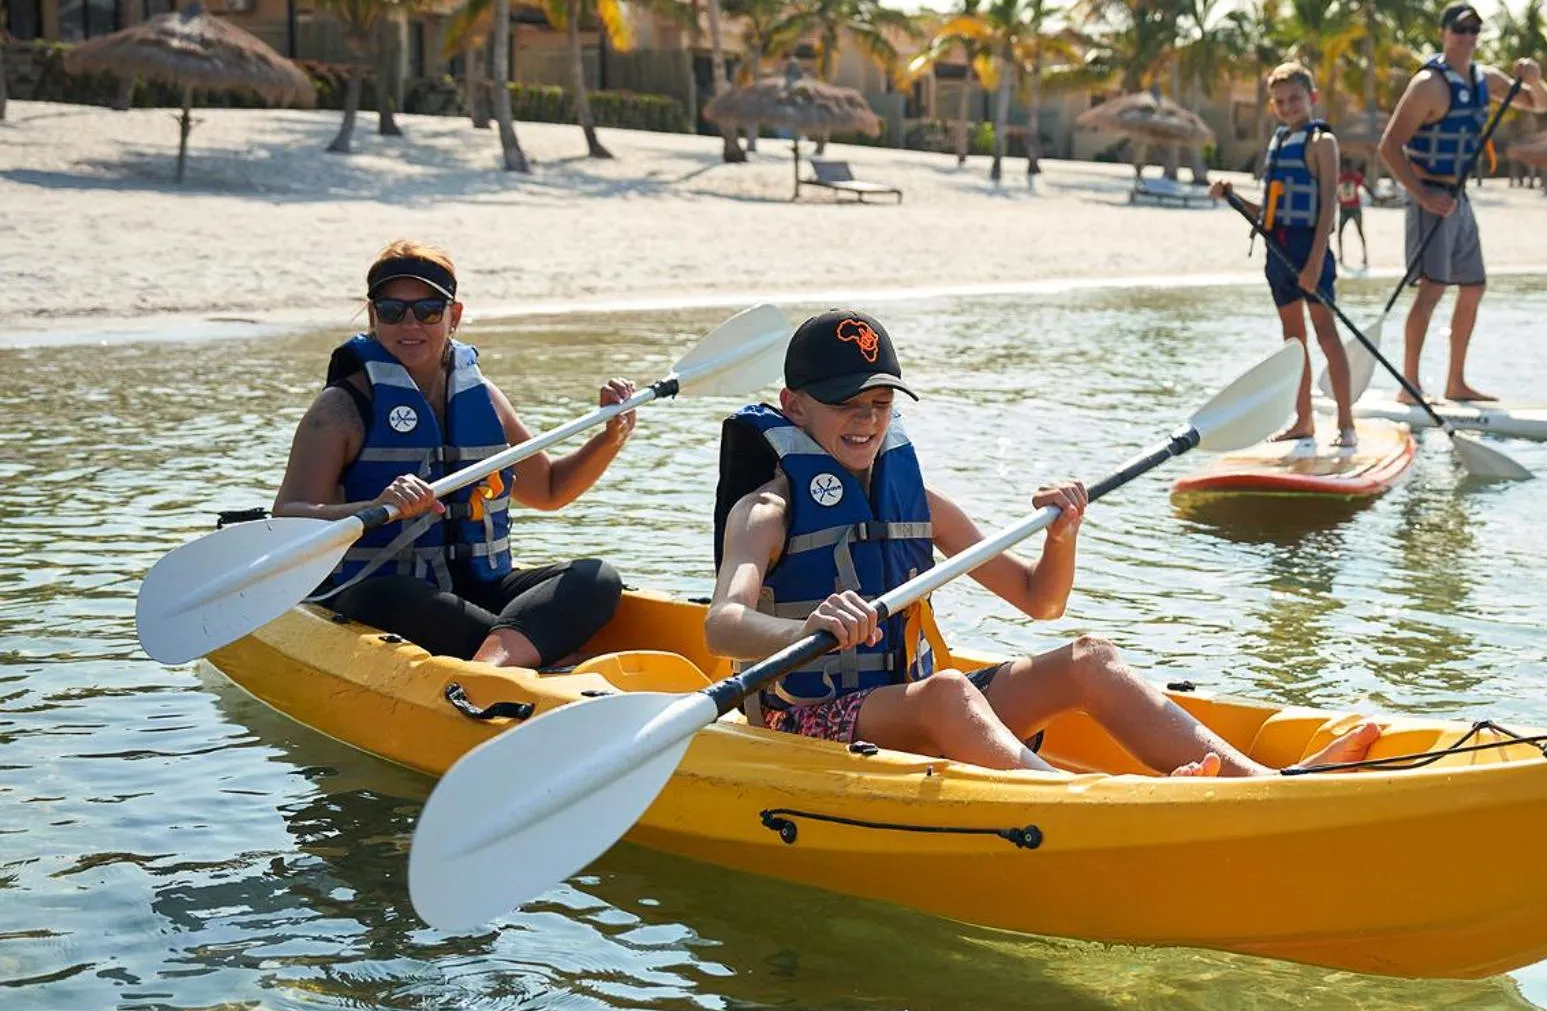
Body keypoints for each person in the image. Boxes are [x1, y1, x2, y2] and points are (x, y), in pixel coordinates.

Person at [705, 309, 1384, 776]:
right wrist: (814, 624)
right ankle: (1078, 804)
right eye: (848, 405)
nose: (868, 421)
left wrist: (1064, 536)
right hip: (808, 719)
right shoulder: (768, 510)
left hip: (905, 702)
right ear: (794, 406)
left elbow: (1040, 600)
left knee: (1089, 657)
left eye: (881, 405)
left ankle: (1262, 782)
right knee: (948, 693)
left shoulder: (921, 506)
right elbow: (722, 624)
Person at [272, 240, 633, 669]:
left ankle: (491, 664)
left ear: (453, 315)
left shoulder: (482, 396)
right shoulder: (340, 408)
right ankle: (531, 651)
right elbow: (289, 519)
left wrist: (610, 437)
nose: (410, 324)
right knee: (398, 595)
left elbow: (550, 490)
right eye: (392, 311)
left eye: (427, 310)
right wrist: (376, 506)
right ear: (373, 316)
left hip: (480, 587)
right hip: (381, 590)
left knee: (596, 579)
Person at [1378, 3, 1547, 402]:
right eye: (1460, 29)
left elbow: (1540, 104)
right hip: (1428, 196)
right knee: (1432, 289)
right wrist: (1422, 195)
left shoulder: (1485, 79)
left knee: (1473, 287)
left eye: (1475, 30)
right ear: (1443, 33)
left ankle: (1456, 383)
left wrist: (1536, 80)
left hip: (1459, 198)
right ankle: (1410, 386)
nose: (1468, 37)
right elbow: (1388, 146)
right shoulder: (1427, 85)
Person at [1208, 61, 1356, 447]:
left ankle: (1345, 425)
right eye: (1280, 101)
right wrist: (1232, 196)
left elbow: (1328, 209)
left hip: (1311, 250)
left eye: (1295, 99)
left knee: (1326, 334)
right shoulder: (1277, 142)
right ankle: (1303, 420)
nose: (1288, 106)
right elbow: (1267, 213)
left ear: (1313, 98)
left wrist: (1313, 264)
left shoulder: (1322, 143)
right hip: (1278, 251)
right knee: (1294, 342)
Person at [1336, 162, 1368, 268]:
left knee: (1345, 233)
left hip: (1349, 208)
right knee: (1358, 232)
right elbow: (1364, 182)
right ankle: (1343, 256)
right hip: (1350, 208)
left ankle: (1363, 256)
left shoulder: (1341, 178)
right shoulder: (1353, 177)